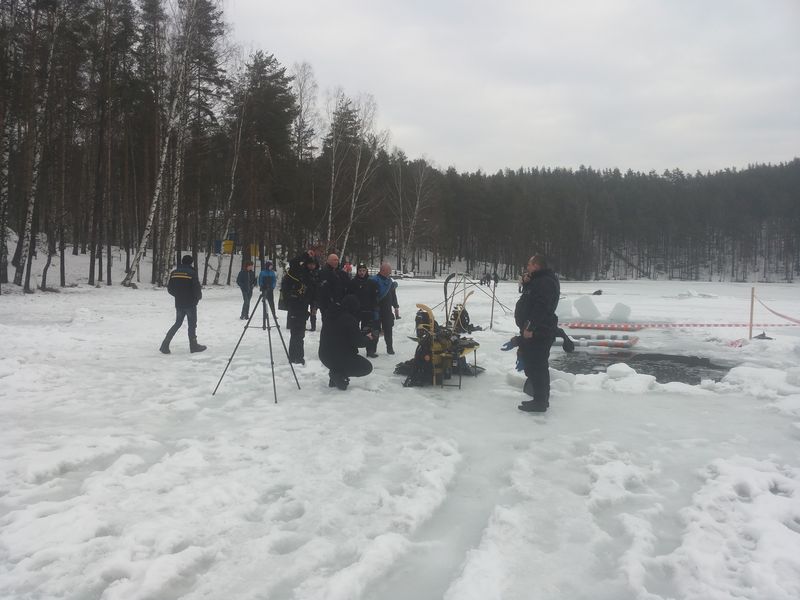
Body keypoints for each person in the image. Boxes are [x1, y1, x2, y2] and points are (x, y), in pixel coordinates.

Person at [514, 254, 560, 413]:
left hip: (538, 332)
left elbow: (541, 307)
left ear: (537, 265)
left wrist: (529, 327)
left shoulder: (545, 282)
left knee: (538, 366)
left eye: (529, 264)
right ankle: (540, 399)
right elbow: (531, 300)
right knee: (534, 366)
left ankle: (540, 402)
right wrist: (527, 284)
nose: (527, 267)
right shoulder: (539, 281)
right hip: (534, 331)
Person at [318, 294, 373, 390]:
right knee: (367, 367)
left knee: (339, 357)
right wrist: (368, 338)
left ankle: (336, 375)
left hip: (324, 356)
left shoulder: (330, 315)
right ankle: (337, 375)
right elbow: (359, 342)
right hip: (340, 357)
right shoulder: (349, 319)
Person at [160, 255, 206, 354]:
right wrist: (198, 298)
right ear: (191, 263)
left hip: (179, 303)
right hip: (190, 304)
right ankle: (193, 346)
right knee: (192, 325)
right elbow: (196, 288)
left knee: (177, 323)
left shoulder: (174, 273)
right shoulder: (192, 273)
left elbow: (170, 289)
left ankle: (165, 344)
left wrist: (178, 296)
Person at [280, 251, 316, 364]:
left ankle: (298, 357)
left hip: (303, 308)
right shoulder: (296, 272)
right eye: (309, 264)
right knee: (296, 333)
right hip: (295, 306)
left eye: (313, 264)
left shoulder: (310, 276)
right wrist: (306, 255)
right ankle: (295, 357)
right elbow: (294, 262)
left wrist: (313, 306)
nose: (311, 266)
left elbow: (312, 293)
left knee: (300, 334)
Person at [349, 262, 380, 357]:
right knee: (353, 330)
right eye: (360, 271)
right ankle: (352, 350)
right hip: (355, 311)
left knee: (368, 331)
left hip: (368, 310)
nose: (362, 272)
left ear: (366, 271)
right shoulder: (353, 282)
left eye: (363, 270)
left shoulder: (371, 283)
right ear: (357, 271)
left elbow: (375, 297)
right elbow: (349, 296)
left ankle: (370, 351)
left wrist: (375, 308)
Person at [371, 262, 400, 355]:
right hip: (377, 310)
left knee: (388, 330)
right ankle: (372, 350)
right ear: (383, 270)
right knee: (375, 330)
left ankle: (390, 348)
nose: (390, 272)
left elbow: (393, 295)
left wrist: (396, 306)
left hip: (387, 311)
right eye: (389, 271)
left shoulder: (390, 281)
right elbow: (370, 297)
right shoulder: (374, 280)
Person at [317, 253, 350, 322]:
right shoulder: (324, 272)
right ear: (328, 261)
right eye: (334, 260)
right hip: (327, 304)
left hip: (340, 303)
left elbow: (347, 285)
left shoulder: (341, 273)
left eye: (337, 260)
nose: (336, 262)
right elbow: (322, 290)